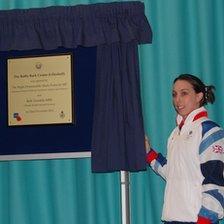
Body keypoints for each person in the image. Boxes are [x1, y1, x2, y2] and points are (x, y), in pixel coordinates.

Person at [145, 74, 224, 224]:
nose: (177, 100)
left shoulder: (209, 131)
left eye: (184, 93)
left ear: (199, 96)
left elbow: (216, 182)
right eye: (174, 94)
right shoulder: (175, 134)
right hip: (172, 218)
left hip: (197, 220)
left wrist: (205, 219)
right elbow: (172, 173)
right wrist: (149, 153)